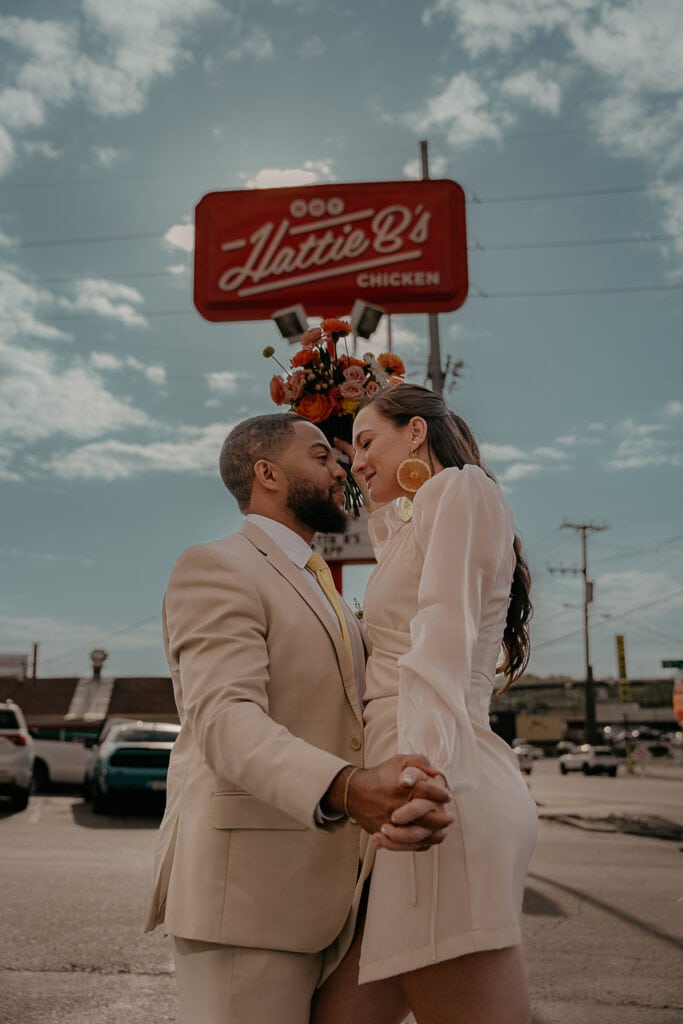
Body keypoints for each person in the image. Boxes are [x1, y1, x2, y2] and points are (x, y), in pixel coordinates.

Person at [144, 412, 453, 1024]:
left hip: (335, 900)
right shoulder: (217, 566)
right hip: (248, 905)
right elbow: (224, 719)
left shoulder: (324, 589)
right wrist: (345, 786)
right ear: (267, 474)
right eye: (321, 456)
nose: (341, 468)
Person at [312, 384, 539, 1024]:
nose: (354, 462)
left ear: (416, 433)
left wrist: (418, 776)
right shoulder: (413, 523)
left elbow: (442, 633)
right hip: (416, 797)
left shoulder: (459, 490)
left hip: (436, 797)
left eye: (365, 442)